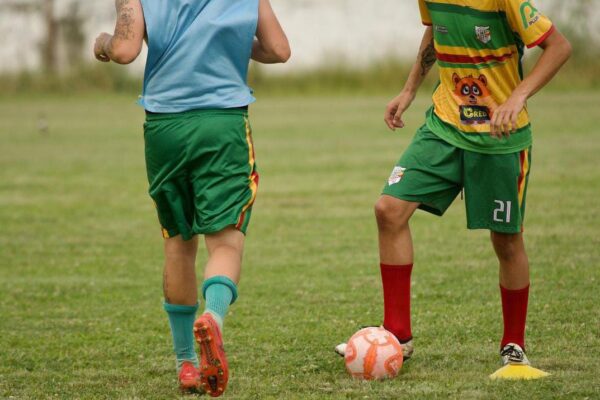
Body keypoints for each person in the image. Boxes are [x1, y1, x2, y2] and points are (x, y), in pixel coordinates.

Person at [336, 0, 571, 379]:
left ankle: (514, 347)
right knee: (388, 209)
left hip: (499, 136)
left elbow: (559, 46)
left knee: (506, 241)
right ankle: (398, 334)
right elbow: (436, 31)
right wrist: (410, 88)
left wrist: (518, 96)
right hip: (444, 125)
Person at [93, 0, 290, 395]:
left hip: (165, 125)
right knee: (226, 242)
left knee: (178, 246)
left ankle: (186, 364)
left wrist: (102, 44)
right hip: (222, 122)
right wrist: (225, 43)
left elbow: (126, 49)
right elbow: (278, 49)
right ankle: (213, 319)